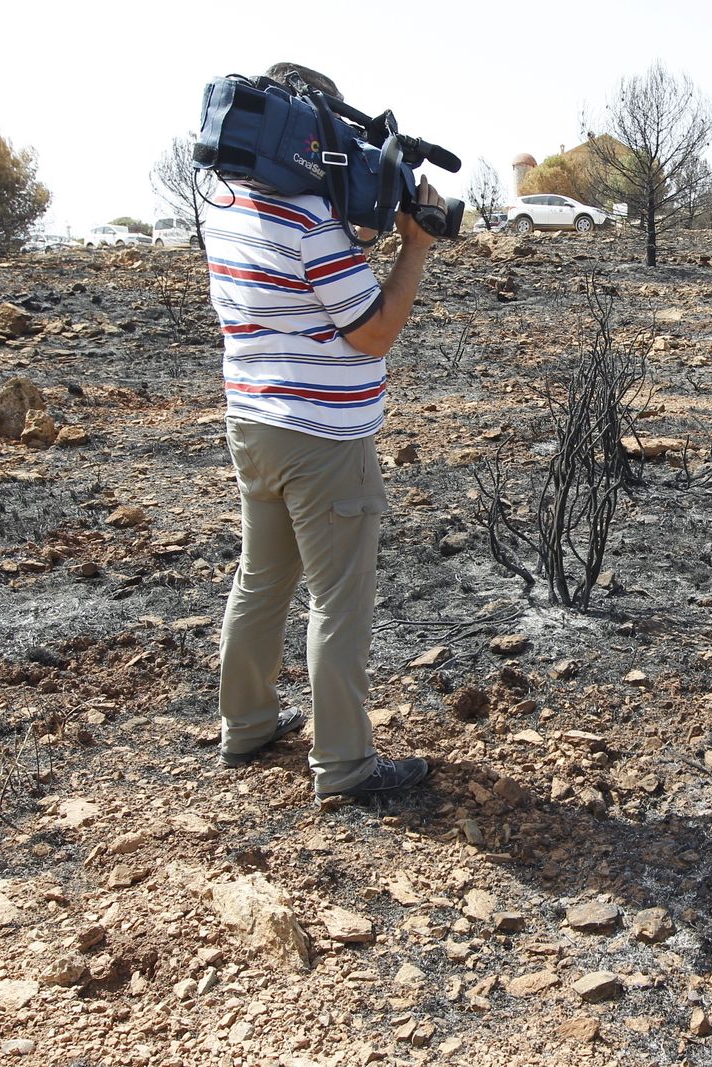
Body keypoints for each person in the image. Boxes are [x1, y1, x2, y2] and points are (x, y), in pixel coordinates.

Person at [205, 62, 440, 801]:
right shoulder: (308, 221)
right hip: (323, 438)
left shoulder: (226, 203)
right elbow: (372, 332)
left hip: (254, 423)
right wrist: (417, 246)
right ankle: (344, 766)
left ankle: (244, 727)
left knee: (261, 580)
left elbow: (315, 278)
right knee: (339, 601)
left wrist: (363, 227)